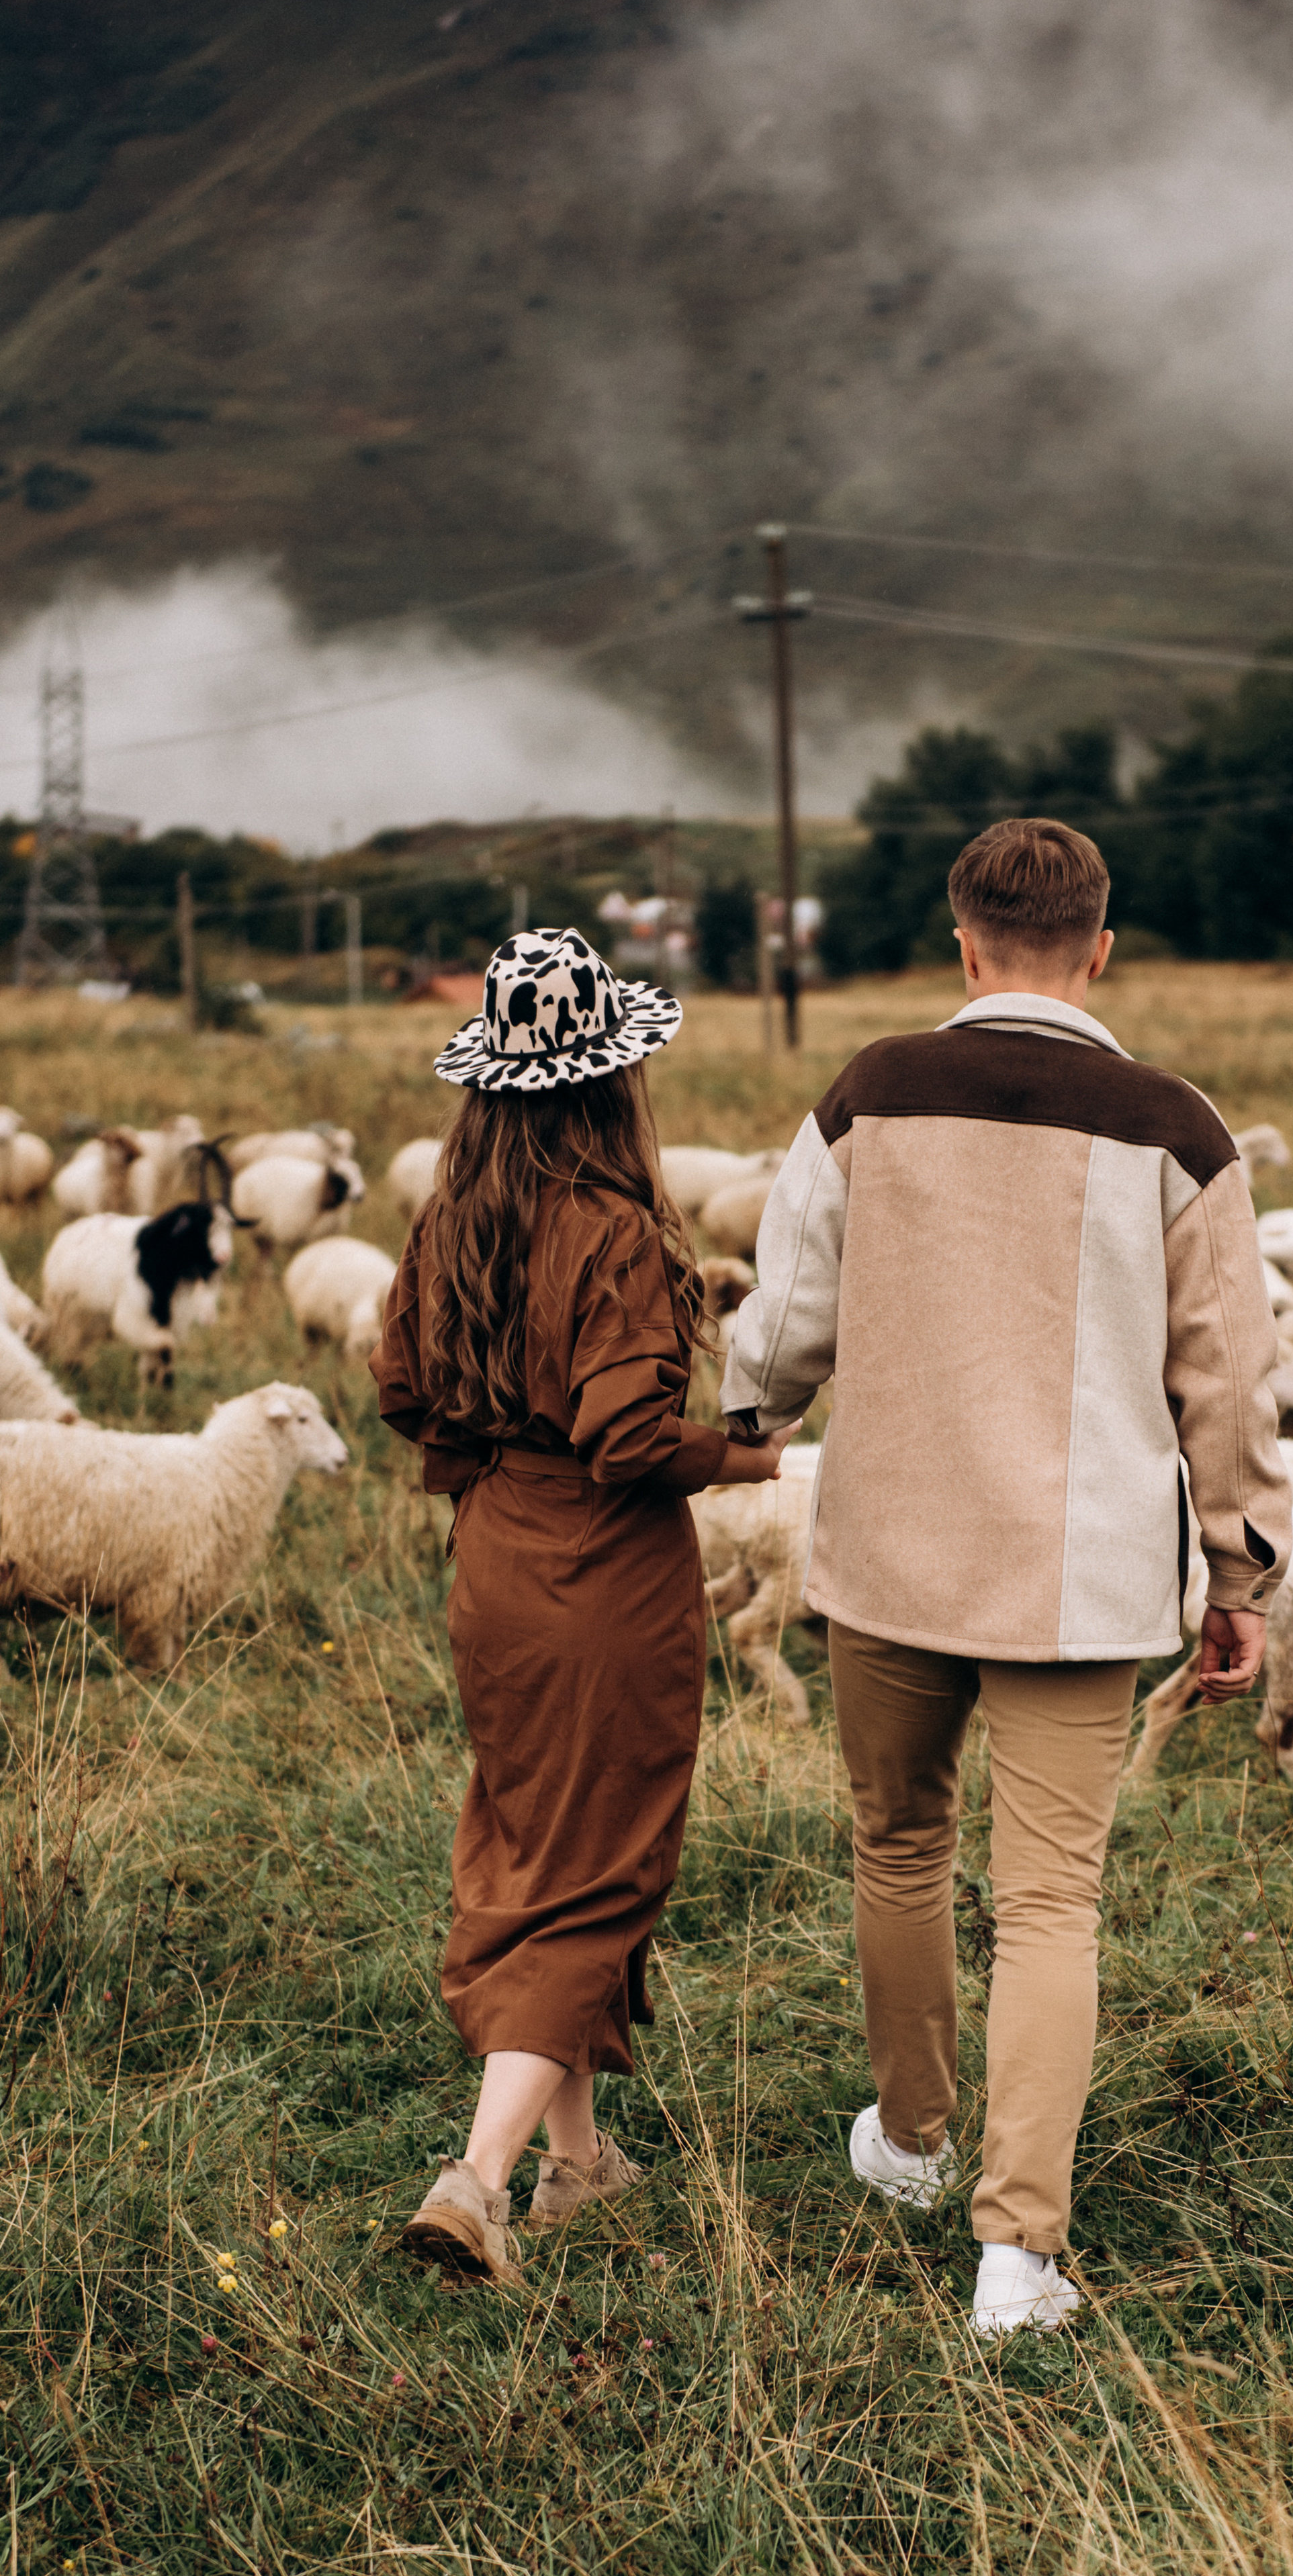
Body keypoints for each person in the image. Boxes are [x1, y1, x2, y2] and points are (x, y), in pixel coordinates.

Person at [721, 819, 1290, 2339]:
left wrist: (740, 1430)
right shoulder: (1175, 1128)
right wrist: (1240, 1572)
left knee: (896, 1842)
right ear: (1100, 946)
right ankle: (1015, 2255)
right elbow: (1225, 1378)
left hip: (891, 1550)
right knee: (1051, 1904)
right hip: (1082, 1571)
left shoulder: (869, 1091)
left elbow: (781, 1322)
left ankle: (908, 2142)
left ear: (960, 941)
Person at [371, 929, 796, 2285]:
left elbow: (395, 1384)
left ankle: (577, 2161)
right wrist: (748, 1451)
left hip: (496, 1554)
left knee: (528, 1842)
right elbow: (624, 1440)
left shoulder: (448, 1217)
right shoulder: (615, 1233)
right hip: (602, 1576)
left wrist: (479, 1472)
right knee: (600, 1866)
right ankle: (476, 2178)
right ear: (610, 1080)